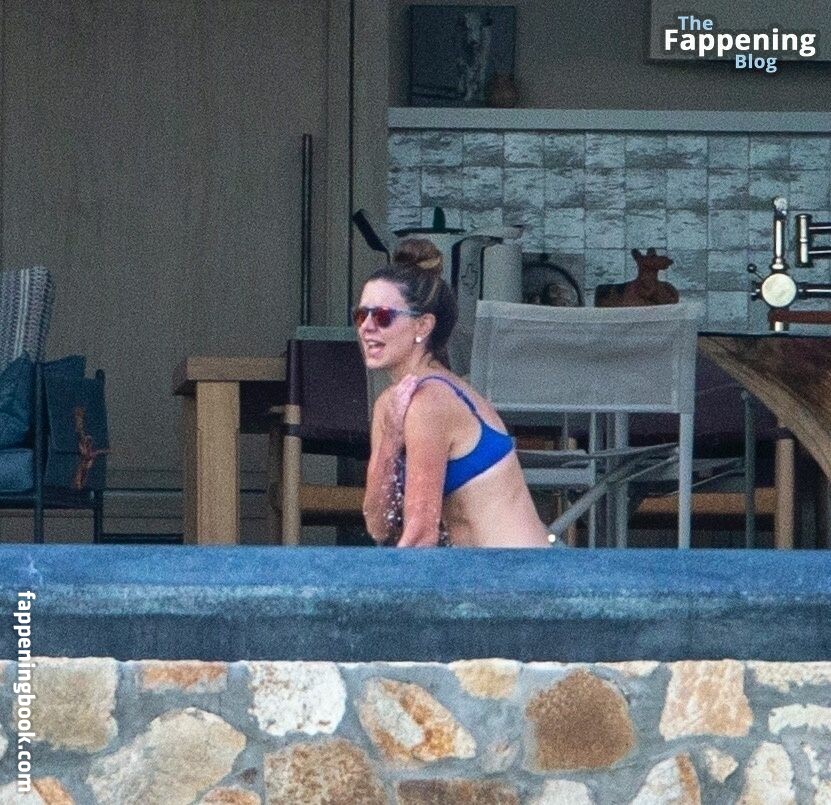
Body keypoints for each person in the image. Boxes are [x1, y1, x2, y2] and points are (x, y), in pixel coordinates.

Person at [355, 238, 551, 548]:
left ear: (423, 326)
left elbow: (420, 537)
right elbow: (378, 526)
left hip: (519, 570)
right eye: (360, 315)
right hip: (483, 569)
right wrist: (390, 442)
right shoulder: (389, 406)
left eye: (382, 316)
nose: (367, 327)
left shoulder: (430, 402)